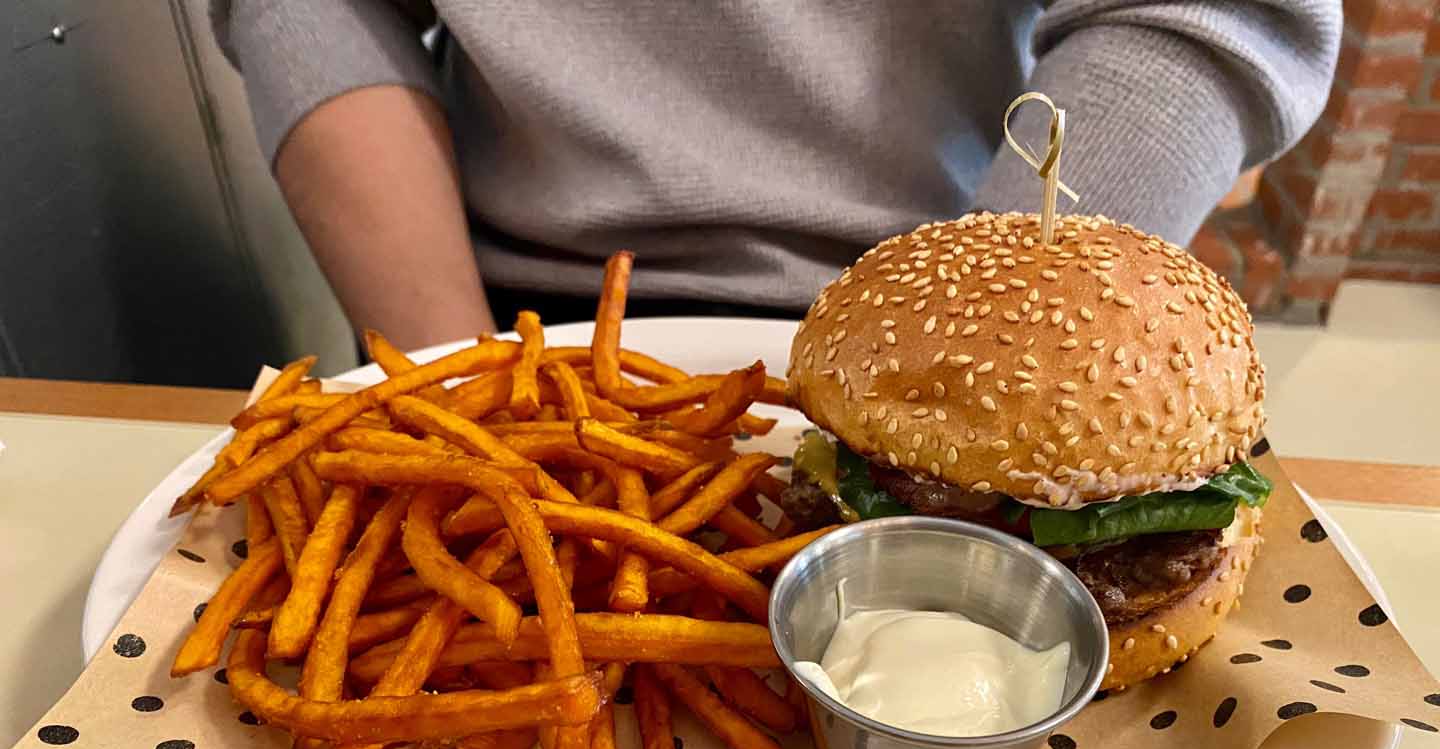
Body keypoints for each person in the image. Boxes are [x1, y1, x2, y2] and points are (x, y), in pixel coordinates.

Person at [213, 1, 1339, 349]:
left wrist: (949, 407)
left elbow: (1203, 13)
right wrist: (459, 393)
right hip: (492, 326)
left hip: (943, 312)